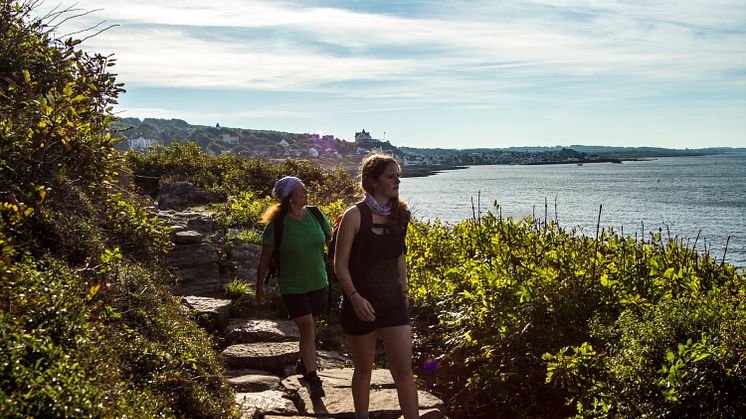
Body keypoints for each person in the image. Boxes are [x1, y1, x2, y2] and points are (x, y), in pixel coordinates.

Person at [334, 154, 419, 418]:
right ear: (372, 181)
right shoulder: (354, 216)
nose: (398, 181)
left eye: (398, 175)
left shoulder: (400, 215)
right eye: (391, 176)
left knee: (404, 372)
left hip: (393, 302)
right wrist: (355, 298)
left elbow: (400, 258)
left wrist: (404, 294)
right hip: (360, 304)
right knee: (364, 369)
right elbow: (340, 265)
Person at [255, 176, 331, 400]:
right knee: (307, 327)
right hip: (293, 286)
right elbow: (264, 259)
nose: (307, 191)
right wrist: (259, 289)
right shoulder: (276, 226)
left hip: (319, 282)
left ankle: (303, 362)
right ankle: (313, 377)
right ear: (289, 197)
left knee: (312, 326)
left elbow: (331, 242)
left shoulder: (316, 215)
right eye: (301, 190)